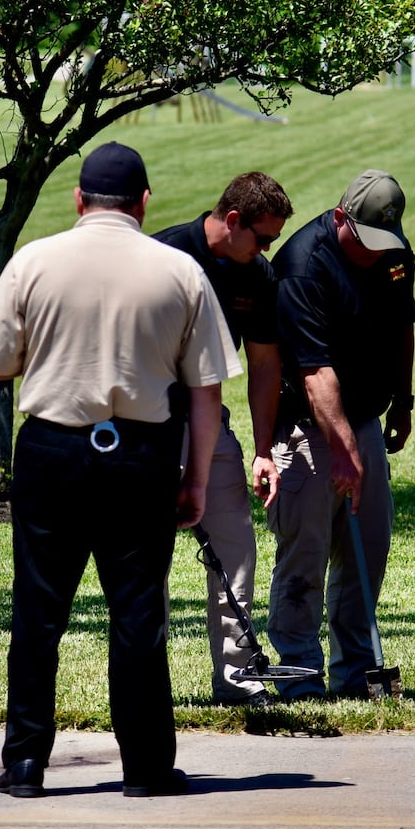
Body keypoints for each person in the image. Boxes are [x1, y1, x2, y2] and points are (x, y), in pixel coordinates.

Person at [0, 141, 239, 798]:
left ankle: (28, 761)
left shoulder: (33, 261)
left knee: (39, 612)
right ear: (144, 202)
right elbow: (207, 390)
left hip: (52, 449)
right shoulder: (178, 272)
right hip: (141, 453)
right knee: (138, 616)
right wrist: (196, 478)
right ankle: (145, 765)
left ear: (79, 199)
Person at [265, 169, 415, 700]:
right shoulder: (301, 268)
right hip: (304, 425)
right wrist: (345, 452)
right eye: (365, 241)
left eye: (385, 242)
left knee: (366, 550)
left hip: (365, 418)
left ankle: (354, 672)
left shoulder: (394, 252)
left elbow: (403, 325)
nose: (376, 253)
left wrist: (403, 399)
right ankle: (300, 671)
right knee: (306, 550)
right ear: (339, 218)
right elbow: (314, 373)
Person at [153, 171, 295, 708]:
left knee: (235, 547)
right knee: (150, 559)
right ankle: (149, 677)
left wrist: (261, 449)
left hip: (213, 426)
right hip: (152, 431)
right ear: (232, 220)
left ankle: (239, 680)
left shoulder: (255, 275)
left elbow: (263, 363)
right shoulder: (163, 255)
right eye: (263, 238)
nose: (267, 250)